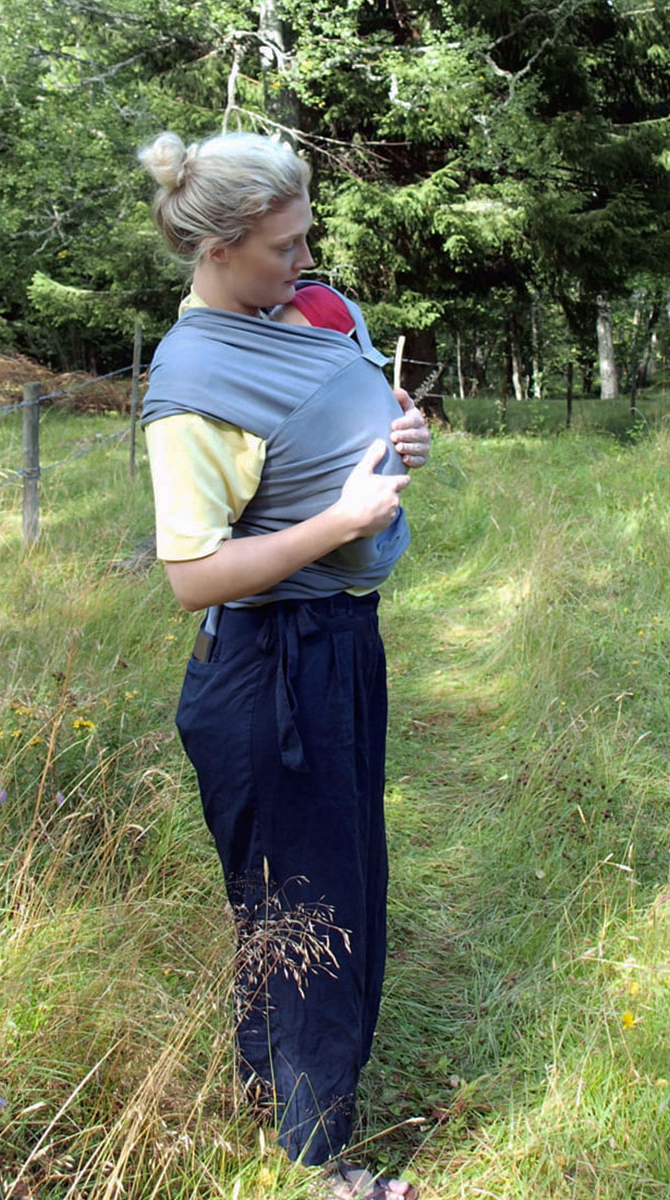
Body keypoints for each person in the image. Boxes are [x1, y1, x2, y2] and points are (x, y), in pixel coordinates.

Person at [137, 129, 429, 1200]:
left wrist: (397, 448)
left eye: (307, 237)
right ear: (215, 247)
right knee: (307, 903)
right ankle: (318, 1166)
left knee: (339, 880)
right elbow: (195, 575)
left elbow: (327, 436)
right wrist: (342, 517)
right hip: (271, 669)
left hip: (338, 647)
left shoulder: (292, 315)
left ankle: (277, 1100)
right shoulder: (196, 387)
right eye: (280, 247)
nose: (301, 263)